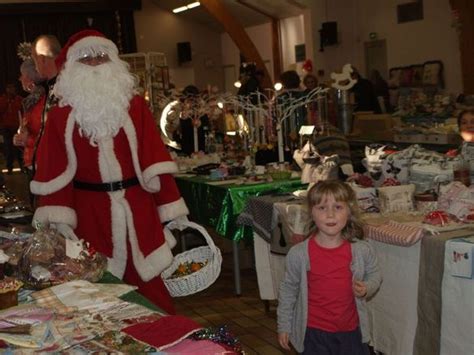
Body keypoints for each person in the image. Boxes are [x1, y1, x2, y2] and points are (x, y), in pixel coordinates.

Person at [30, 29, 189, 314]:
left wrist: (170, 208)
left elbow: (154, 159)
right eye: (86, 58)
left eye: (101, 56)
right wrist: (60, 220)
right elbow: (55, 172)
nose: (94, 63)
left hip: (138, 208)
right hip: (89, 213)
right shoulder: (60, 116)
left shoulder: (135, 106)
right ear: (72, 66)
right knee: (96, 289)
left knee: (151, 292)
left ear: (114, 62)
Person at [277, 180, 381, 354]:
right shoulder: (300, 254)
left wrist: (367, 287)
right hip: (314, 334)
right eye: (322, 208)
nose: (330, 215)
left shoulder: (361, 250)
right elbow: (288, 291)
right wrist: (284, 325)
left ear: (349, 211)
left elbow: (375, 274)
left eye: (338, 207)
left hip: (352, 333)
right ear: (311, 212)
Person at [30, 34, 61, 172]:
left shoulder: (66, 87)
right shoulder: (52, 86)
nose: (35, 66)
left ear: (41, 59)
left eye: (34, 60)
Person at [0, 83, 24, 174]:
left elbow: (23, 112)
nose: (11, 90)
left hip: (17, 127)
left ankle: (23, 167)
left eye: (13, 88)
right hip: (6, 128)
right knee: (8, 148)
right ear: (6, 89)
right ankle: (9, 168)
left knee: (19, 148)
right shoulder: (3, 100)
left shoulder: (19, 99)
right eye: (9, 88)